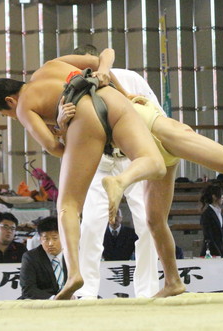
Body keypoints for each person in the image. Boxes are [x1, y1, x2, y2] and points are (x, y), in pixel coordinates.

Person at [0, 49, 223, 299]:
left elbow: (59, 144)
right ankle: (173, 282)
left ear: (9, 101)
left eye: (7, 114)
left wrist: (66, 124)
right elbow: (105, 64)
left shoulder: (48, 97)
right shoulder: (64, 73)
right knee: (153, 219)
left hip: (149, 126)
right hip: (126, 135)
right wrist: (102, 87)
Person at [0, 49, 169, 299]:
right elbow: (106, 55)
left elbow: (53, 147)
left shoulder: (25, 105)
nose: (11, 117)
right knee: (94, 225)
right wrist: (116, 87)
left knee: (69, 207)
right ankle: (88, 291)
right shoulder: (53, 66)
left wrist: (63, 130)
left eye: (4, 114)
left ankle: (80, 276)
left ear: (9, 101)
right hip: (116, 137)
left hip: (102, 142)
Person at [72, 44, 159, 299]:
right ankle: (86, 291)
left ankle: (147, 291)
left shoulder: (130, 78)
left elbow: (156, 115)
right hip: (98, 161)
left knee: (148, 223)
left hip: (133, 159)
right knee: (90, 225)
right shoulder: (72, 87)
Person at [19, 216, 67, 300]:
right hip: (43, 301)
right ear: (40, 240)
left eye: (55, 238)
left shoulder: (73, 255)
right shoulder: (31, 257)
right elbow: (28, 289)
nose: (50, 243)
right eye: (46, 239)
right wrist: (54, 298)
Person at [199, 184, 223, 257]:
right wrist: (218, 253)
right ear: (214, 196)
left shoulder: (221, 214)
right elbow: (208, 236)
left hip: (222, 253)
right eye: (221, 195)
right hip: (210, 253)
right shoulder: (206, 214)